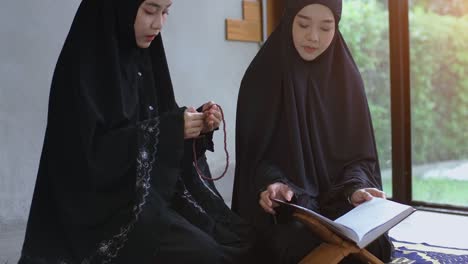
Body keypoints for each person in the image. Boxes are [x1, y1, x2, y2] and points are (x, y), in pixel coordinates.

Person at [19, 0, 253, 263]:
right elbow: (87, 160)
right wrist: (171, 129)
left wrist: (195, 125)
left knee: (236, 238)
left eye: (165, 12)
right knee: (208, 256)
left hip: (148, 197)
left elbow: (158, 121)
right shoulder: (82, 70)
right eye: (150, 10)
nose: (159, 23)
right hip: (101, 217)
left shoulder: (145, 58)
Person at [232, 0, 393, 263]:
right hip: (288, 204)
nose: (313, 37)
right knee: (296, 243)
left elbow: (360, 158)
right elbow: (255, 157)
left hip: (339, 197)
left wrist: (356, 190)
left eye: (326, 27)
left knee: (377, 245)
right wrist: (273, 185)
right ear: (289, 21)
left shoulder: (346, 78)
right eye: (304, 24)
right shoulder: (262, 75)